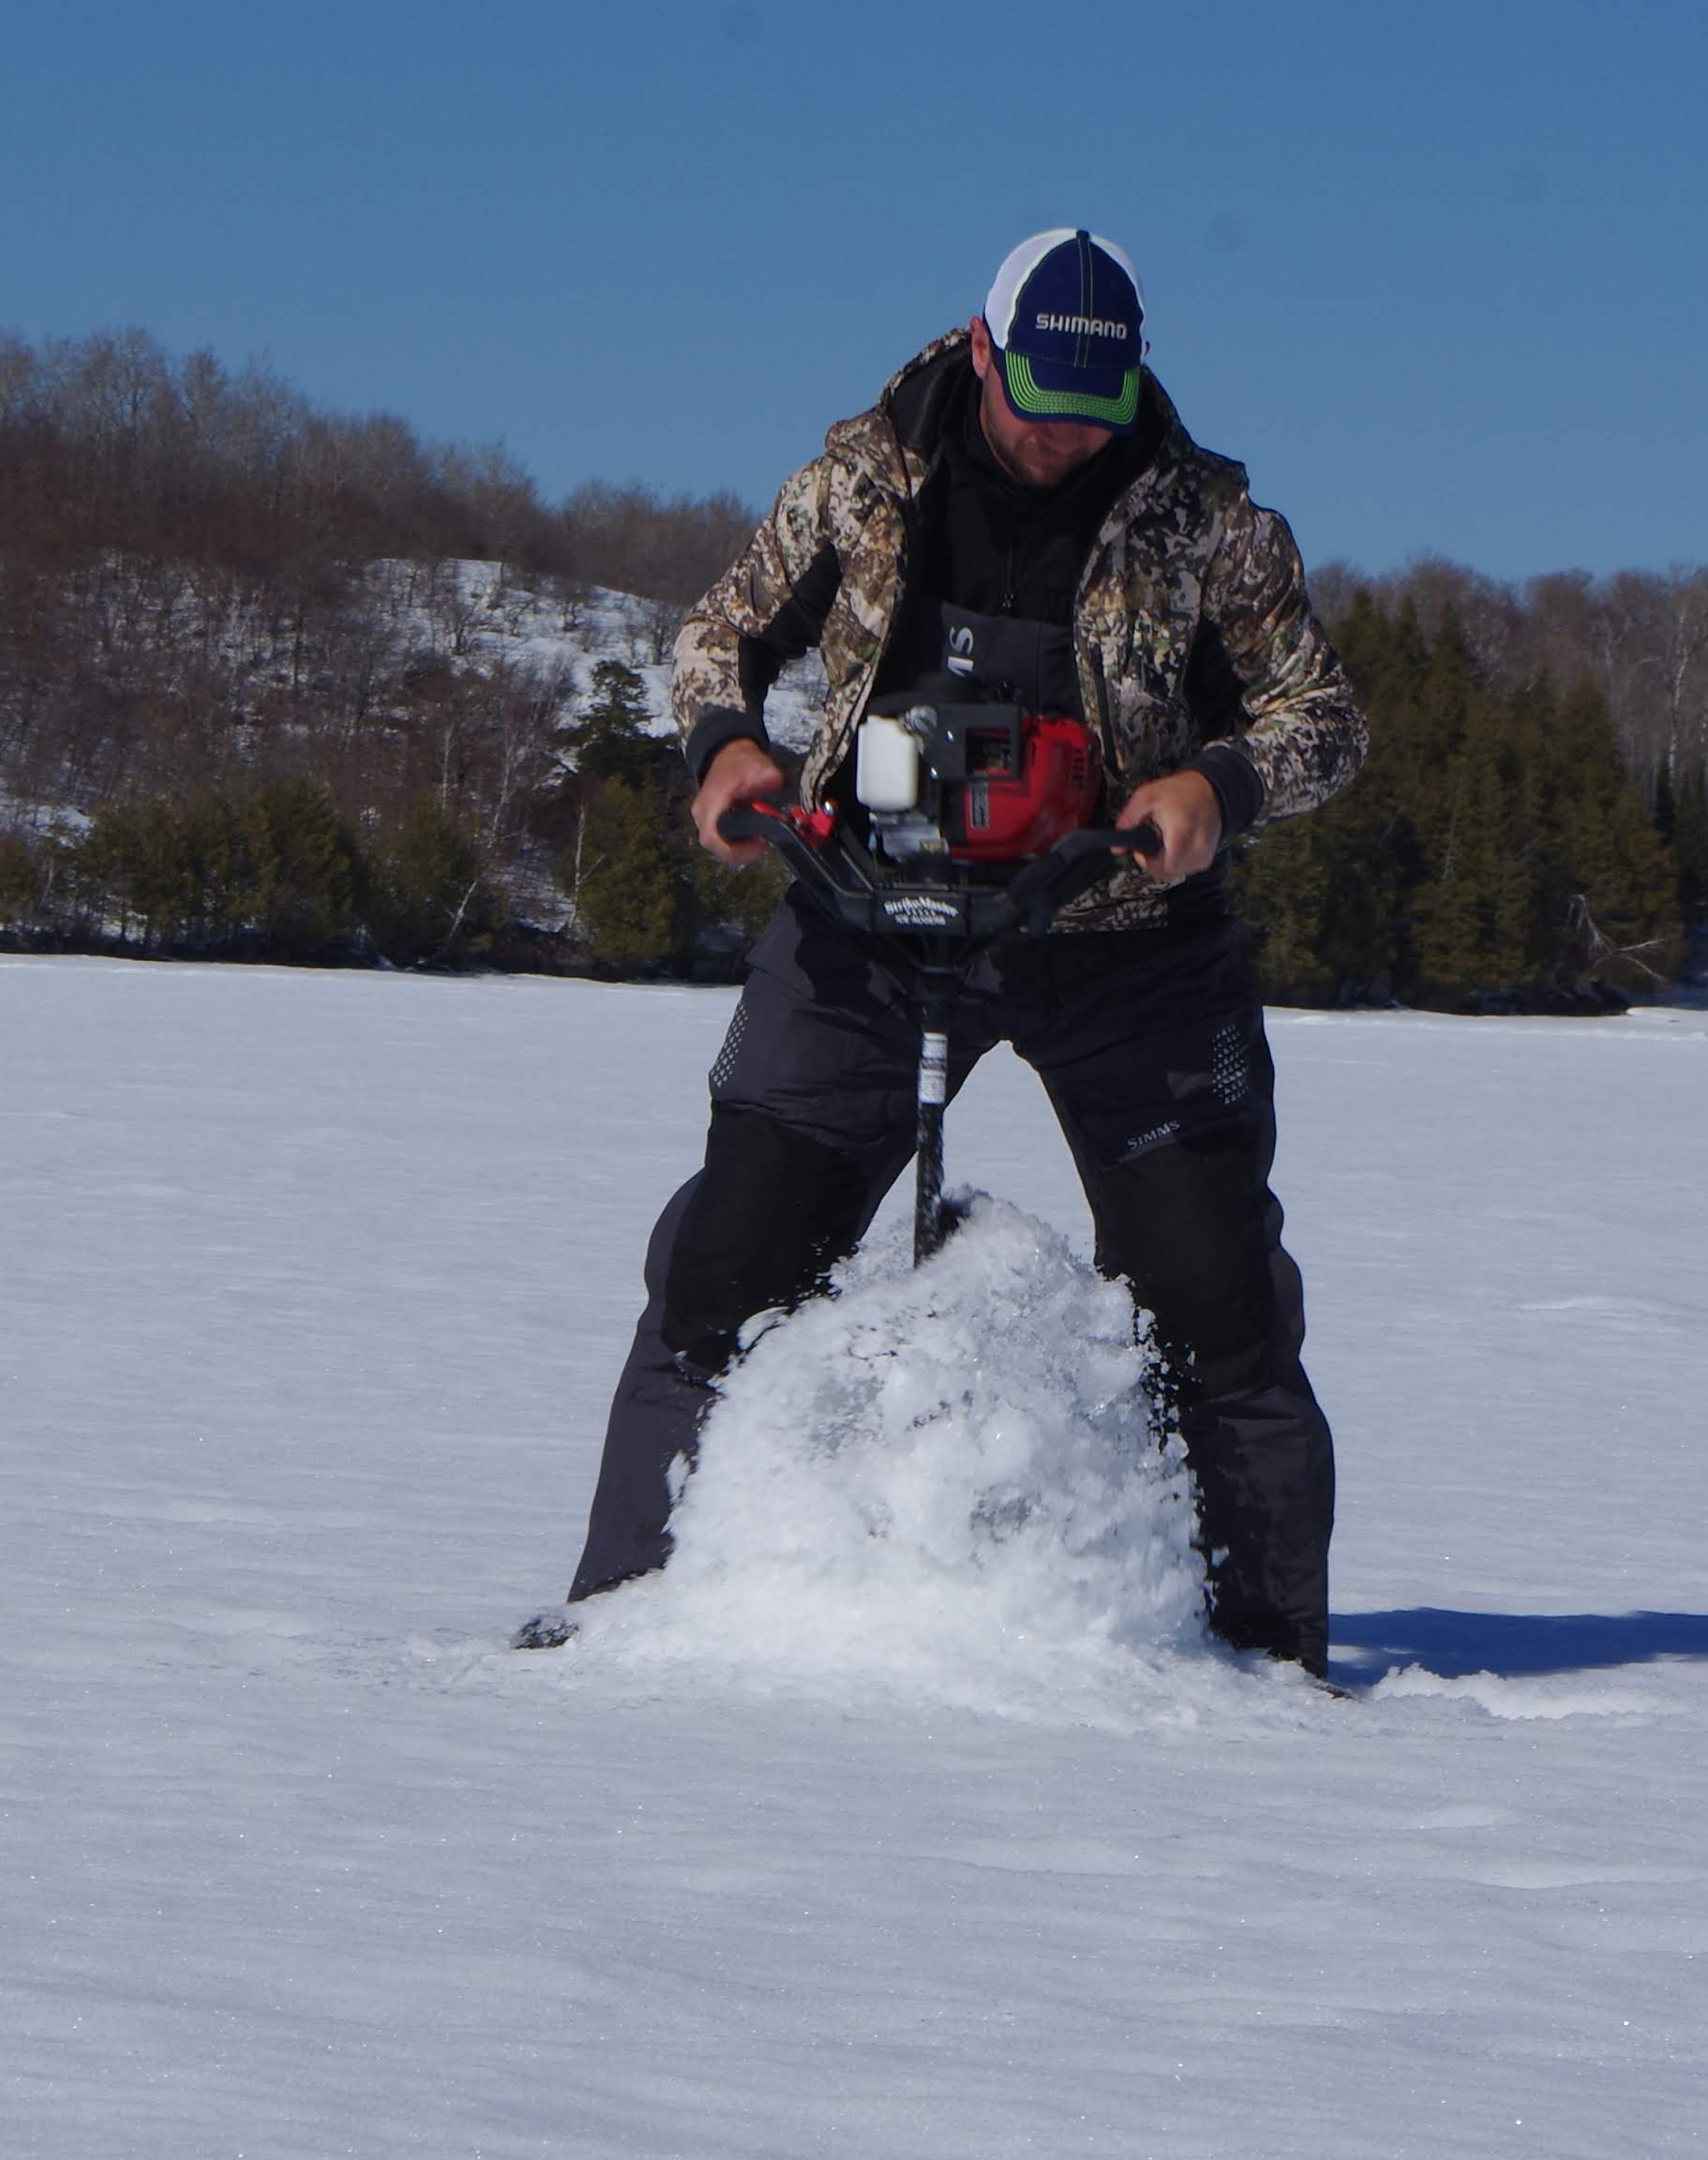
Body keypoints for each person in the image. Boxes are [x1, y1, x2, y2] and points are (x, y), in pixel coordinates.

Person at [550, 230, 1368, 1672]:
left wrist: (1215, 789)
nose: (1063, 433)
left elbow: (1323, 715)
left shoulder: (1207, 521)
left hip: (1123, 939)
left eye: (1095, 404)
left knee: (1215, 1292)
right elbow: (718, 632)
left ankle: (1263, 1666)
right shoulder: (861, 480)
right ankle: (630, 1620)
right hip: (858, 917)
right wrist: (725, 746)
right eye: (1039, 395)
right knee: (726, 1264)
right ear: (980, 350)